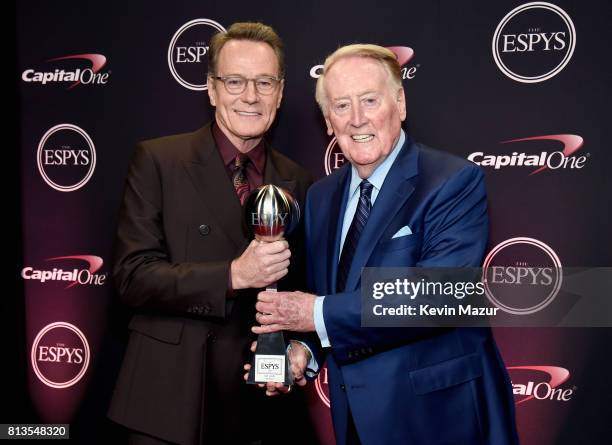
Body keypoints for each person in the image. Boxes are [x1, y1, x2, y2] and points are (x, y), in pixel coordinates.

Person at [249, 44, 519, 445]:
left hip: (439, 420)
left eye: (370, 100)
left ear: (400, 103)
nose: (357, 118)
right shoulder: (321, 197)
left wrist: (314, 314)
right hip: (355, 418)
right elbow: (333, 296)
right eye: (341, 106)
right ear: (327, 121)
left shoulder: (453, 181)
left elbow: (439, 293)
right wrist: (303, 354)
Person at [108, 22, 313, 445]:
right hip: (168, 403)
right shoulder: (159, 161)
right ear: (212, 89)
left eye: (264, 82)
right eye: (235, 81)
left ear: (280, 91)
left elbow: (305, 293)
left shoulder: (299, 180)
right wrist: (233, 275)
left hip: (259, 409)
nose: (251, 96)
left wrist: (295, 355)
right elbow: (132, 277)